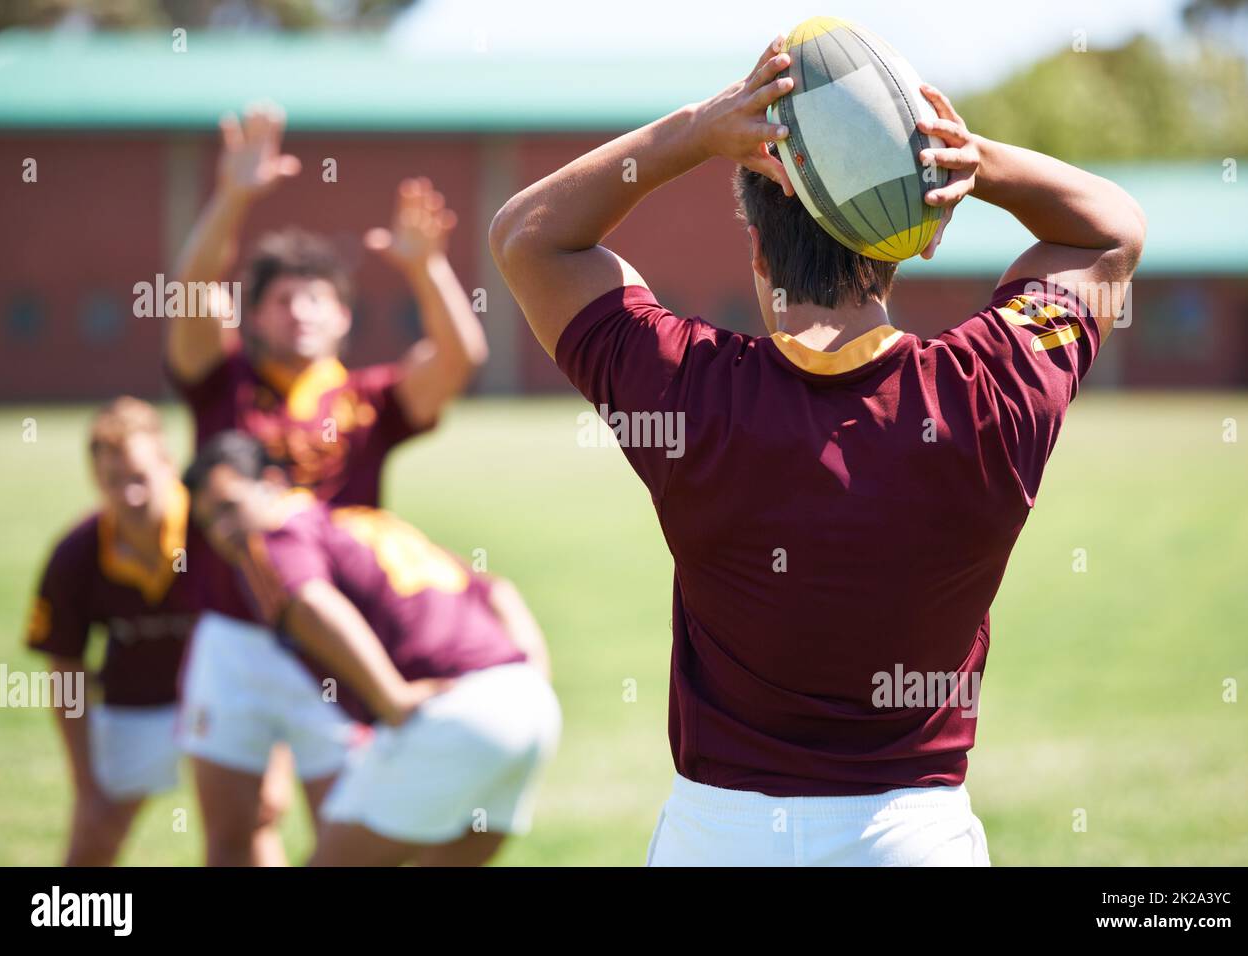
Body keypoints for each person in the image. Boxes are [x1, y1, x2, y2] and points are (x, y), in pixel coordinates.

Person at [489, 35, 1145, 865]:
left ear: (758, 253)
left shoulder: (686, 389)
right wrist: (969, 160)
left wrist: (696, 132)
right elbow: (1112, 234)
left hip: (716, 836)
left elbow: (529, 238)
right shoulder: (992, 385)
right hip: (912, 835)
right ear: (918, 240)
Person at [166, 102, 489, 865]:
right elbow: (187, 294)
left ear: (343, 316)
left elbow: (458, 359)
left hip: (336, 637)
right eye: (282, 299)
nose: (301, 311)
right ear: (254, 318)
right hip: (232, 634)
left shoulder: (367, 399)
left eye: (317, 298)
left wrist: (426, 266)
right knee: (231, 838)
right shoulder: (224, 380)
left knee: (344, 833)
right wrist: (234, 197)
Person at [183, 431, 560, 867]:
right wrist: (534, 677)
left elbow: (310, 601)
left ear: (272, 483)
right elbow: (498, 590)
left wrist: (390, 697)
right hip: (528, 709)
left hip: (455, 714)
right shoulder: (362, 521)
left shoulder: (278, 533)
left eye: (229, 508)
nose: (224, 531)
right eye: (209, 521)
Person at [25, 398, 199, 866]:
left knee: (248, 829)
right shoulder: (78, 554)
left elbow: (268, 647)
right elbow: (65, 669)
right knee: (93, 837)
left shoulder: (212, 533)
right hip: (133, 707)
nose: (130, 495)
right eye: (113, 481)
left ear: (169, 467)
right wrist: (87, 782)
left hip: (216, 705)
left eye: (140, 477)